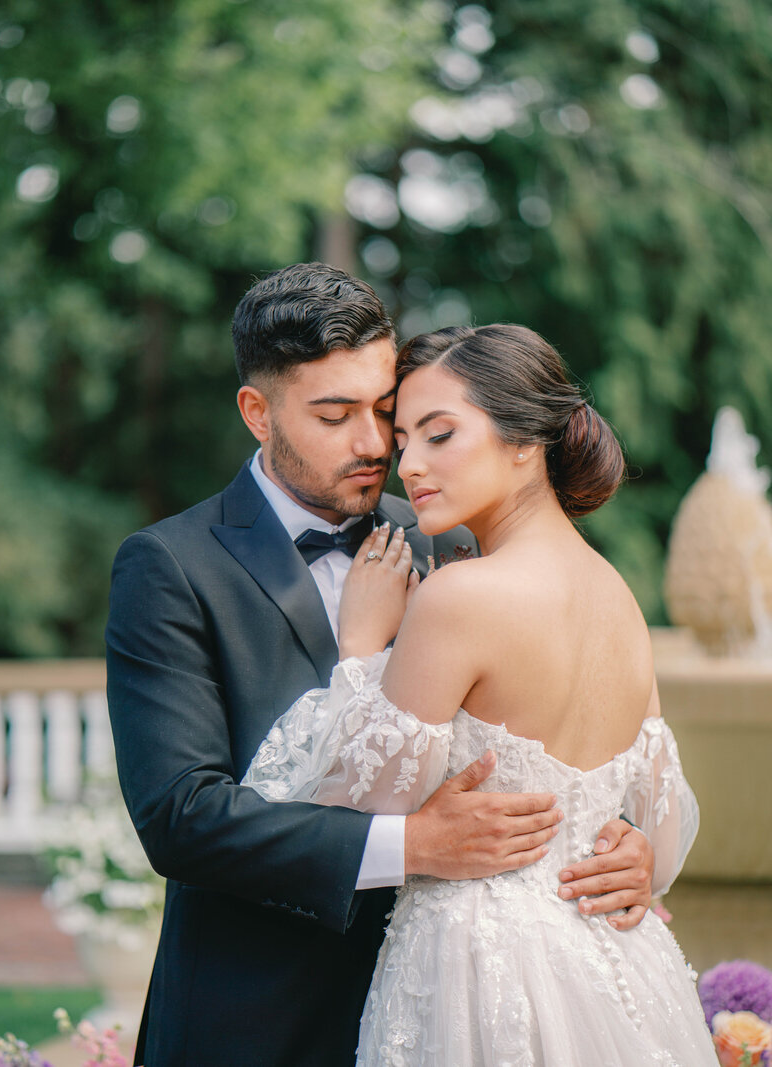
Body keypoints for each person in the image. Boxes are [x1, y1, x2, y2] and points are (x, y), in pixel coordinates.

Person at [106, 266, 656, 1067]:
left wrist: (624, 840)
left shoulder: (446, 530)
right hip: (256, 1021)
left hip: (451, 1010)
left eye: (385, 413)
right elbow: (183, 818)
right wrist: (413, 843)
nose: (375, 446)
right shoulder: (169, 567)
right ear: (257, 413)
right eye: (335, 415)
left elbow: (552, 716)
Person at [242, 323, 717, 1065]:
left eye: (439, 434)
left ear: (525, 440)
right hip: (620, 962)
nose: (409, 465)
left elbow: (342, 796)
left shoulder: (459, 597)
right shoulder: (619, 597)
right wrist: (636, 855)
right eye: (404, 440)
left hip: (482, 961)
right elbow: (660, 820)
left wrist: (362, 649)